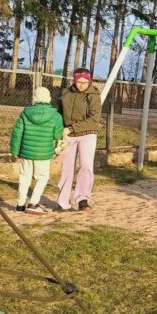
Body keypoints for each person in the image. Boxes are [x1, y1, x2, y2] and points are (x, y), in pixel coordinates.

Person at [10, 87, 64, 215]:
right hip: (44, 153)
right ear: (49, 99)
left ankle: (20, 205)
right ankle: (33, 203)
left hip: (26, 152)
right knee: (42, 177)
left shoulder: (25, 114)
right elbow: (57, 135)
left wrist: (15, 152)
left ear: (34, 98)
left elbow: (17, 134)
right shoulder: (56, 116)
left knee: (24, 178)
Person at [56, 68, 101, 212]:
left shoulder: (93, 96)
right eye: (79, 82)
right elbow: (59, 114)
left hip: (87, 134)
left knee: (86, 166)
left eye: (85, 82)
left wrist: (72, 128)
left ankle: (82, 199)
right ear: (74, 81)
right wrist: (58, 130)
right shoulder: (66, 94)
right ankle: (63, 202)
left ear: (89, 81)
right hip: (68, 135)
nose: (82, 85)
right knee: (67, 168)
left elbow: (94, 119)